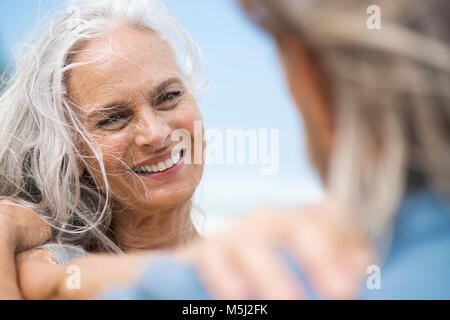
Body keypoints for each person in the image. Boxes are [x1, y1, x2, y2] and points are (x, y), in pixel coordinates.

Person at [29, 0, 449, 299]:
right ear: (73, 155)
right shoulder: (38, 265)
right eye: (113, 118)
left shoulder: (264, 267)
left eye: (170, 96)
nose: (155, 134)